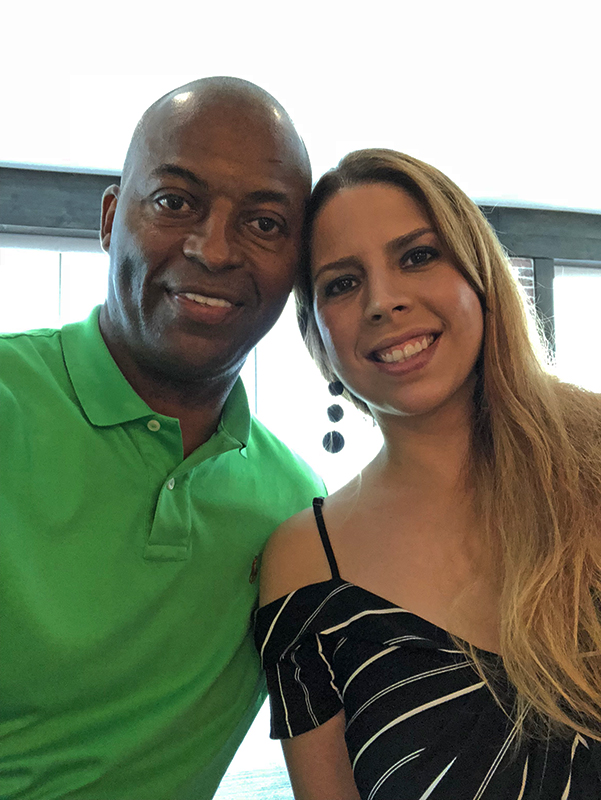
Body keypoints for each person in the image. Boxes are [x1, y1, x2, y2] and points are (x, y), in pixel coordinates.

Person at [0, 77, 324, 800]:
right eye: (175, 203)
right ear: (111, 218)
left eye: (265, 223)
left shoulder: (296, 510)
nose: (213, 250)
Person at [255, 149, 601, 799]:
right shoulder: (303, 566)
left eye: (416, 256)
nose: (383, 301)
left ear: (479, 276)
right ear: (316, 335)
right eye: (342, 283)